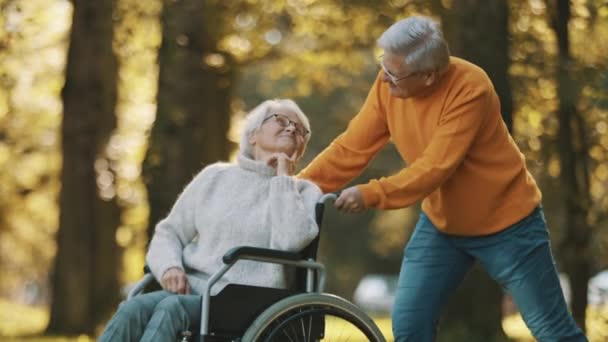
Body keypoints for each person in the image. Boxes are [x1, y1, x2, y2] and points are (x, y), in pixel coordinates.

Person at [298, 16, 587, 342]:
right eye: (384, 66)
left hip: (509, 225)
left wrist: (371, 193)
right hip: (443, 227)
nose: (385, 78)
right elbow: (352, 147)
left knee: (554, 332)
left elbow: (434, 168)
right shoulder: (388, 86)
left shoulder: (470, 88)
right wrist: (300, 186)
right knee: (409, 326)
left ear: (428, 76)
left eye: (395, 73)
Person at [99, 99, 321, 341]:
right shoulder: (214, 177)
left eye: (300, 130)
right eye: (281, 120)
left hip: (249, 299)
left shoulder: (304, 193)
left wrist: (283, 180)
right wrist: (170, 266)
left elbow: (290, 242)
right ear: (254, 134)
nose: (291, 129)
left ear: (300, 150)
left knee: (171, 308)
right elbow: (169, 232)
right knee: (133, 308)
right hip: (191, 289)